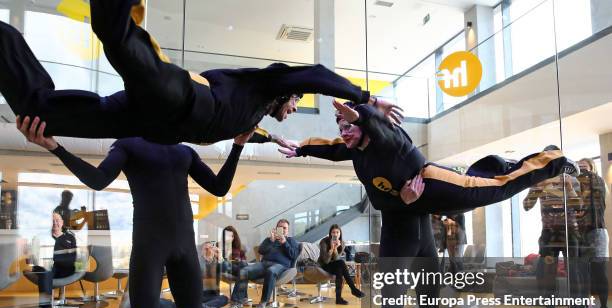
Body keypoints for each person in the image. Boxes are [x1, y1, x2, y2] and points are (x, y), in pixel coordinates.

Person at [278, 100, 580, 308]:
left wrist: (362, 115)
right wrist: (301, 147)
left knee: (492, 190)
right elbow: (334, 151)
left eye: (350, 126)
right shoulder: (356, 150)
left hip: (432, 188)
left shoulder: (388, 138)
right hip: (402, 227)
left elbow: (379, 127)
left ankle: (551, 160)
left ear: (365, 125)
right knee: (393, 304)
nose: (345, 132)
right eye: (341, 126)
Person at [17, 116, 250, 308]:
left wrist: (238, 146)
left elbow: (220, 187)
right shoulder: (129, 144)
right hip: (150, 246)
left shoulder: (184, 152)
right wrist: (55, 147)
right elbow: (99, 180)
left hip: (183, 246)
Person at [0, 0, 400, 145]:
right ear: (286, 93)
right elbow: (314, 72)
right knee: (116, 36)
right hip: (179, 97)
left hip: (142, 122)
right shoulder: (268, 84)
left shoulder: (252, 120)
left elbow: (258, 135)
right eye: (296, 103)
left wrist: (280, 143)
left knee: (41, 117)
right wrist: (364, 98)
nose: (295, 109)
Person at [523, 172, 585, 308]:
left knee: (574, 273)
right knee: (548, 274)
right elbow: (526, 206)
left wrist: (569, 188)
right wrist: (538, 187)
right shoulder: (539, 180)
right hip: (548, 234)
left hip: (570, 232)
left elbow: (579, 206)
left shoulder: (572, 180)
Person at [240, 219, 300, 308]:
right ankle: (237, 301)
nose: (283, 230)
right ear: (276, 229)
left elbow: (293, 255)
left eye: (285, 228)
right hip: (264, 264)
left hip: (280, 265)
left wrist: (285, 243)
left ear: (288, 230)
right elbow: (261, 251)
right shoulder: (270, 240)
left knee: (271, 271)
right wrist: (271, 241)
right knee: (243, 271)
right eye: (280, 228)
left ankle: (263, 303)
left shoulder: (291, 241)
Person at [576, 158, 609, 308]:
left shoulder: (598, 181)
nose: (581, 170)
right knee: (582, 275)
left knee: (599, 272)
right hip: (579, 234)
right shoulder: (575, 186)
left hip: (597, 233)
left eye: (584, 167)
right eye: (578, 167)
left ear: (591, 169)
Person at [27, 212, 77, 308]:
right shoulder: (40, 237)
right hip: (45, 266)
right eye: (52, 221)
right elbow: (32, 257)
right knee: (45, 269)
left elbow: (75, 256)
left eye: (57, 220)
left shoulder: (70, 237)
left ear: (62, 222)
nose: (55, 223)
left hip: (64, 268)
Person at [318, 224, 365, 305]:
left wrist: (336, 249)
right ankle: (353, 289)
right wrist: (331, 249)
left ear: (340, 233)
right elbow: (326, 261)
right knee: (341, 263)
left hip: (335, 265)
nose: (335, 234)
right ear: (330, 233)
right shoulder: (324, 242)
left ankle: (339, 298)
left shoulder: (342, 243)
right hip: (323, 265)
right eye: (333, 232)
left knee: (339, 268)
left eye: (337, 232)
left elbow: (336, 259)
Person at [221, 226, 251, 308]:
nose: (230, 238)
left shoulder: (239, 248)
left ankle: (238, 301)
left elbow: (244, 260)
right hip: (226, 267)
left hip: (238, 268)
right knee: (244, 268)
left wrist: (239, 260)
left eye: (232, 236)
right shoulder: (220, 246)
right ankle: (240, 299)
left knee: (244, 266)